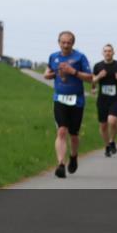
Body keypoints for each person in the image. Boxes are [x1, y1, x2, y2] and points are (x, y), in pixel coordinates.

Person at [43, 31, 93, 178]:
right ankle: (60, 164)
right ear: (59, 42)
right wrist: (50, 74)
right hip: (59, 98)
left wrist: (73, 71)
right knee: (62, 131)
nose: (65, 45)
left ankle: (74, 156)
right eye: (63, 42)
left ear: (73, 43)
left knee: (74, 135)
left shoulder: (80, 57)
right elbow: (48, 72)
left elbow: (90, 78)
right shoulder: (54, 56)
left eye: (68, 43)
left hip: (76, 100)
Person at [91, 44, 117, 156]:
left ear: (113, 52)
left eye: (109, 51)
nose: (107, 53)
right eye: (105, 51)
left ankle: (112, 141)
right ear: (102, 53)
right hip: (102, 99)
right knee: (103, 125)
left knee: (113, 121)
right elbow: (92, 81)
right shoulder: (98, 66)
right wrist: (99, 77)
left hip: (115, 98)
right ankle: (107, 146)